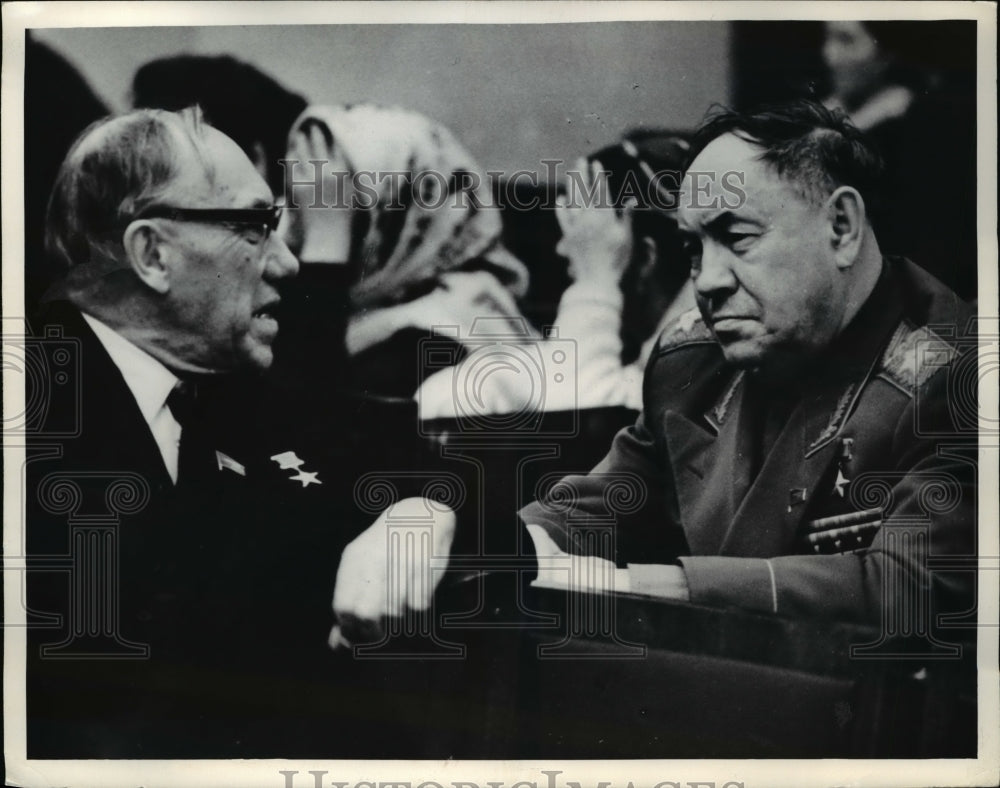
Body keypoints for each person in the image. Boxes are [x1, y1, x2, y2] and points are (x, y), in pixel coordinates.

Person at [329, 101, 976, 641]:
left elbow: (910, 585)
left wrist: (641, 585)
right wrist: (435, 526)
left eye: (738, 238)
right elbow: (595, 509)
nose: (709, 282)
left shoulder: (959, 376)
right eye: (694, 248)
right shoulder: (690, 363)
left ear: (841, 226)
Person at [23, 107, 380, 757]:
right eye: (254, 226)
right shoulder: (31, 420)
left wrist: (420, 513)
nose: (288, 263)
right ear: (152, 253)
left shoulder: (224, 390)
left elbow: (428, 463)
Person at [415, 132, 695, 418]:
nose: (563, 248)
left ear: (647, 257)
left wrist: (595, 281)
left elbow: (587, 423)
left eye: (586, 233)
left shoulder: (687, 375)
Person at [279, 103, 534, 400]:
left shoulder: (433, 342)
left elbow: (302, 415)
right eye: (299, 199)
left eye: (331, 207)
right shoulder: (444, 295)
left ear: (401, 220)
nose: (293, 231)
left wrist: (326, 245)